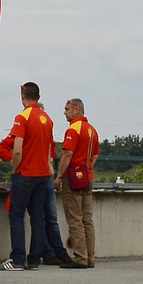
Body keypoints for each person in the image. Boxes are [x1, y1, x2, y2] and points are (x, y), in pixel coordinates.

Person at [0, 82, 55, 271]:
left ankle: (18, 259)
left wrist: (15, 168)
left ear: (23, 95)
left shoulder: (22, 117)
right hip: (43, 174)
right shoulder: (47, 118)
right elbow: (49, 148)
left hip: (26, 173)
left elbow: (17, 149)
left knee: (16, 215)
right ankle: (34, 259)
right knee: (38, 216)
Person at [56, 98, 99, 268]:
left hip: (72, 178)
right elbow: (95, 155)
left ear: (76, 109)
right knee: (87, 220)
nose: (65, 112)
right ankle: (90, 258)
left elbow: (67, 154)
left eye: (67, 109)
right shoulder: (92, 130)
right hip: (87, 177)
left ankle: (80, 257)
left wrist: (60, 175)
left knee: (75, 219)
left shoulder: (73, 129)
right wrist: (87, 169)